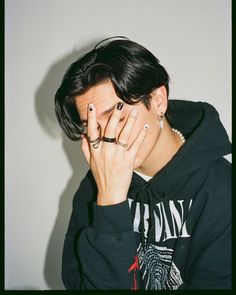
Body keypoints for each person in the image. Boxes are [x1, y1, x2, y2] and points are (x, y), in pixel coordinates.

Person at [54, 36, 231, 290]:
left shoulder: (222, 192)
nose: (107, 138)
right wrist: (110, 200)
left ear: (158, 100)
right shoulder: (95, 187)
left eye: (117, 115)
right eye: (92, 127)